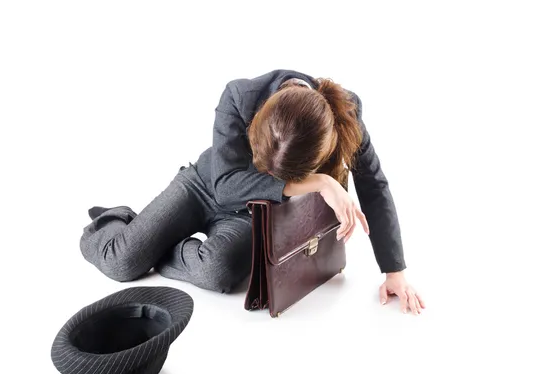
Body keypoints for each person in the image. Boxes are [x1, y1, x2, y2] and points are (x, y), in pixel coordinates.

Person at [80, 69, 425, 315]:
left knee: (217, 272)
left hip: (255, 210)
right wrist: (322, 182)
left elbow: (374, 185)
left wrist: (394, 272)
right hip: (205, 184)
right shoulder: (238, 95)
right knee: (120, 262)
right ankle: (119, 221)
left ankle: (154, 241)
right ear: (260, 115)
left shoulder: (347, 115)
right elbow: (227, 186)